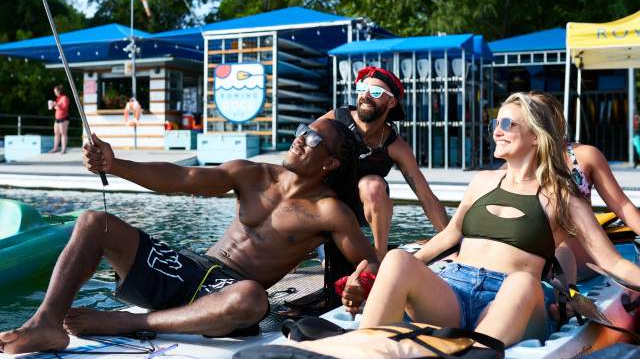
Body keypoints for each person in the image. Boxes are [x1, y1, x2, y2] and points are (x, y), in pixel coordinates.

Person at [0, 118, 379, 354]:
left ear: (329, 163)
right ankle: (46, 323)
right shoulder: (252, 174)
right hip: (191, 268)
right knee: (93, 221)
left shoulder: (329, 212)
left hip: (230, 292)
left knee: (251, 296)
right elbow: (182, 179)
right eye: (303, 130)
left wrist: (358, 284)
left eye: (313, 140)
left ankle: (128, 322)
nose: (300, 139)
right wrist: (115, 165)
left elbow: (370, 265)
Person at [342, 92, 640, 346]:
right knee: (396, 259)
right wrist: (380, 280)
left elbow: (613, 262)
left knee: (523, 282)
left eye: (507, 123)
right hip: (454, 290)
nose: (497, 130)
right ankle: (363, 348)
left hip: (512, 299)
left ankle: (474, 350)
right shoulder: (482, 182)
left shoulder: (563, 197)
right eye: (495, 123)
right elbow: (448, 236)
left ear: (536, 136)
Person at [320, 66, 448, 260]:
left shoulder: (395, 145)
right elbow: (300, 152)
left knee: (374, 185)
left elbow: (426, 197)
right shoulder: (335, 120)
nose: (366, 95)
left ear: (391, 102)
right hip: (322, 205)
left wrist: (451, 239)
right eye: (362, 89)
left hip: (359, 209)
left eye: (376, 92)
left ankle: (379, 258)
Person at [528, 91, 640, 283]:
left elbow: (622, 206)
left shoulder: (584, 156)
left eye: (536, 114)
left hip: (584, 260)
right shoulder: (513, 166)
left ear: (554, 117)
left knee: (562, 252)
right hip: (536, 267)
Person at [50, 85, 70, 154]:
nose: (55, 93)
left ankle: (63, 149)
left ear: (59, 91)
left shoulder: (64, 98)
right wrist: (54, 105)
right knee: (56, 133)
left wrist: (57, 105)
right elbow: (58, 108)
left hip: (63, 118)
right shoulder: (58, 98)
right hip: (57, 118)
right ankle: (55, 148)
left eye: (55, 91)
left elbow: (65, 107)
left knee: (63, 134)